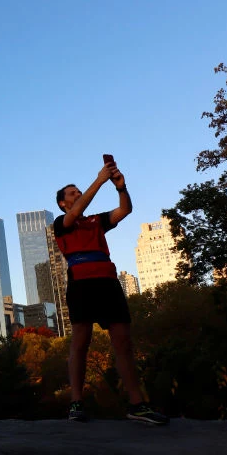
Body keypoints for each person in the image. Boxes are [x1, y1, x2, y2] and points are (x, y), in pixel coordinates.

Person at [54, 160, 169, 425]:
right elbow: (77, 212)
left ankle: (137, 405)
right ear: (63, 203)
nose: (78, 194)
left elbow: (125, 210)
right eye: (72, 193)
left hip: (108, 284)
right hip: (81, 285)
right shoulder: (62, 222)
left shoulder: (96, 221)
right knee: (80, 344)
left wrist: (121, 187)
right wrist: (100, 179)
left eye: (78, 191)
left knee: (124, 344)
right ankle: (76, 403)